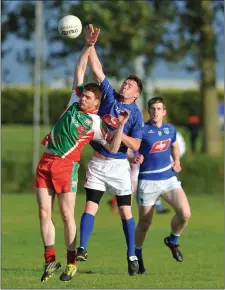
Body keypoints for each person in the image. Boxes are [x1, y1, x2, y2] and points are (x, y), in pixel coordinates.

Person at [35, 28, 130, 282]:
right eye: (83, 94)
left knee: (66, 215)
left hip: (67, 167)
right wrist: (88, 46)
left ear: (95, 103)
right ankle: (49, 261)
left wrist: (119, 126)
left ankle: (71, 263)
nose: (83, 97)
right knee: (44, 213)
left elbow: (112, 148)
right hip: (46, 161)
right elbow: (79, 70)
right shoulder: (73, 101)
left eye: (87, 96)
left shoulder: (97, 123)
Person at [75, 24, 144, 276]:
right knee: (90, 206)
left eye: (130, 85)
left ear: (136, 94)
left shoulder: (135, 115)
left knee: (125, 210)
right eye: (125, 82)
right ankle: (82, 247)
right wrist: (91, 44)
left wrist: (120, 131)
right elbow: (97, 69)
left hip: (118, 165)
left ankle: (131, 254)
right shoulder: (110, 97)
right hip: (97, 161)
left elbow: (136, 145)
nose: (125, 85)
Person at [133, 97, 191, 274]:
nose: (155, 111)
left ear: (164, 111)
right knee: (144, 223)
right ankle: (137, 258)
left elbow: (174, 147)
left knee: (185, 214)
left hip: (168, 178)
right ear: (148, 111)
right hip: (147, 181)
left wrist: (178, 161)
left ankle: (172, 241)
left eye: (159, 108)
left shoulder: (170, 129)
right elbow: (129, 147)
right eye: (153, 108)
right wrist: (133, 157)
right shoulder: (141, 129)